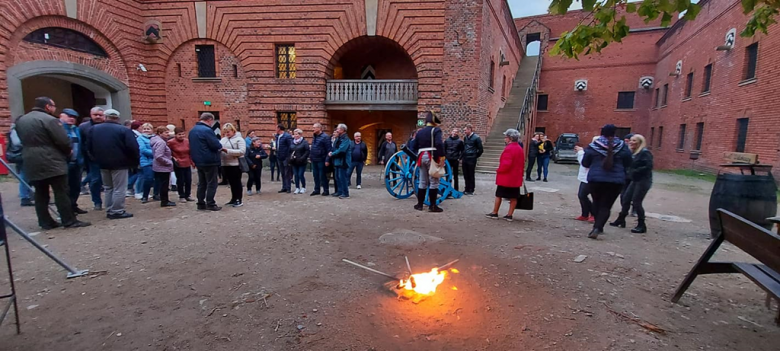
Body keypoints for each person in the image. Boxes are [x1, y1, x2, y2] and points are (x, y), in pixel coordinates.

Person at [16, 97, 90, 229]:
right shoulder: (50, 120)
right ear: (47, 107)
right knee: (61, 191)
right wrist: (68, 152)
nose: (54, 108)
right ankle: (69, 220)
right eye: (53, 106)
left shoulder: (22, 120)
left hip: (30, 159)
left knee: (40, 193)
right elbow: (62, 140)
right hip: (51, 159)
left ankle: (45, 221)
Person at [581, 124, 633, 239]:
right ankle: (598, 227)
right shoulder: (622, 146)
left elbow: (585, 163)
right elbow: (629, 162)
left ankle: (596, 226)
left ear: (601, 133)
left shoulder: (593, 146)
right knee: (606, 206)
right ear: (615, 133)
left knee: (596, 202)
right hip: (615, 181)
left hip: (595, 179)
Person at [87, 109, 139, 219]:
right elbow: (133, 147)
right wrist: (134, 162)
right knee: (119, 188)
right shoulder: (124, 130)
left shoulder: (94, 129)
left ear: (105, 117)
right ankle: (117, 210)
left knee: (108, 187)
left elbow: (88, 147)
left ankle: (110, 209)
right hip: (120, 163)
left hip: (102, 163)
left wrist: (95, 159)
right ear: (118, 118)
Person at [610, 134, 654, 233]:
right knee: (625, 198)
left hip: (643, 180)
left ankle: (641, 224)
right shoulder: (633, 153)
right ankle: (621, 219)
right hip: (635, 179)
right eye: (631, 140)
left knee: (637, 202)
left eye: (634, 140)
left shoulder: (645, 153)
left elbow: (648, 167)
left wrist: (633, 171)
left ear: (640, 142)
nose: (631, 142)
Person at [486, 129, 525, 221]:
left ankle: (495, 212)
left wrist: (499, 170)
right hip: (515, 177)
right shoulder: (519, 148)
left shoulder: (509, 148)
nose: (505, 139)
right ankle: (509, 215)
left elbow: (506, 163)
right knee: (514, 197)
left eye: (506, 137)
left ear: (510, 138)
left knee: (499, 195)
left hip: (506, 177)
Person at [189, 113, 223, 211]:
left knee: (202, 182)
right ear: (209, 120)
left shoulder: (192, 130)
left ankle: (200, 203)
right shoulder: (207, 130)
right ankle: (210, 203)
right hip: (209, 160)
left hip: (198, 160)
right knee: (212, 182)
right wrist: (220, 147)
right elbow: (215, 145)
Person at [412, 112, 445, 212]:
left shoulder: (420, 132)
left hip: (421, 156)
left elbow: (414, 145)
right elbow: (439, 143)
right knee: (434, 182)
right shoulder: (436, 130)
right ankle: (433, 206)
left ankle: (420, 204)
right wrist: (442, 157)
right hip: (432, 156)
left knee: (422, 181)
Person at [58, 109, 88, 214]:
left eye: (74, 117)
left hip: (77, 162)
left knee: (76, 186)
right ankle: (67, 210)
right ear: (61, 116)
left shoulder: (76, 129)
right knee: (65, 188)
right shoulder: (58, 128)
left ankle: (73, 205)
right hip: (64, 163)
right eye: (69, 116)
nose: (72, 119)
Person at [79, 107, 105, 210]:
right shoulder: (83, 127)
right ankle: (97, 202)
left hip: (110, 158)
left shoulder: (108, 126)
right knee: (95, 181)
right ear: (91, 115)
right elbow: (81, 144)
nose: (98, 117)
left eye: (100, 115)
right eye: (95, 115)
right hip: (92, 159)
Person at [7, 118, 33, 206]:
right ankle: (24, 197)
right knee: (24, 176)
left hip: (23, 154)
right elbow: (17, 142)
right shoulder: (15, 130)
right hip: (20, 155)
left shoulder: (17, 129)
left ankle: (28, 194)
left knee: (27, 176)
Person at [220, 123, 246, 207]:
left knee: (237, 182)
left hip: (236, 164)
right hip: (225, 164)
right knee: (231, 182)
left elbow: (242, 151)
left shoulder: (239, 139)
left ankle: (239, 199)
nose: (227, 133)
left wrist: (227, 151)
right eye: (225, 132)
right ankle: (233, 198)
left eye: (228, 131)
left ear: (233, 130)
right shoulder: (223, 140)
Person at [575, 136, 599, 222]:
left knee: (588, 196)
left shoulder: (599, 153)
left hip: (592, 177)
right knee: (582, 195)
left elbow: (585, 163)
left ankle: (593, 214)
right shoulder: (591, 151)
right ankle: (585, 214)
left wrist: (580, 152)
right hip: (586, 177)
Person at [150, 126, 176, 207]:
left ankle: (164, 199)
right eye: (166, 132)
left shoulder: (158, 141)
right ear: (160, 133)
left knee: (162, 184)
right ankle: (165, 201)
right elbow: (158, 156)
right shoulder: (161, 142)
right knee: (164, 185)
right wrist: (169, 162)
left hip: (159, 166)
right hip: (162, 167)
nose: (168, 134)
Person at [168, 127, 194, 202]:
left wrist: (192, 162)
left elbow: (190, 152)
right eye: (179, 134)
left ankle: (188, 194)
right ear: (175, 135)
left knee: (188, 180)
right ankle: (181, 195)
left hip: (187, 162)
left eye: (183, 134)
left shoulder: (187, 141)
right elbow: (167, 152)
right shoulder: (171, 142)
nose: (181, 136)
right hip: (178, 163)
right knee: (180, 180)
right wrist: (172, 157)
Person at [328, 123, 352, 199]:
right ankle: (339, 191)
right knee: (337, 177)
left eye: (338, 129)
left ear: (342, 130)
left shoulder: (345, 139)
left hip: (343, 161)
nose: (336, 130)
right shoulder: (338, 138)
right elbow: (335, 147)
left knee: (342, 178)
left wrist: (333, 154)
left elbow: (342, 150)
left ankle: (345, 193)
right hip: (338, 161)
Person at [309, 123, 331, 196]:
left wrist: (327, 160)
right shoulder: (314, 136)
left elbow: (329, 149)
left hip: (322, 159)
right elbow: (313, 147)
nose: (313, 129)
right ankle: (317, 189)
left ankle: (326, 190)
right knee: (315, 175)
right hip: (314, 159)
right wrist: (311, 157)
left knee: (323, 176)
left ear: (319, 128)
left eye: (314, 128)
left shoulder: (325, 137)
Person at [462, 124, 483, 195]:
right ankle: (466, 188)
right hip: (465, 158)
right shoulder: (466, 138)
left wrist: (475, 156)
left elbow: (480, 149)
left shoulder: (476, 138)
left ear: (469, 129)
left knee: (471, 174)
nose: (464, 131)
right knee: (465, 174)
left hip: (471, 158)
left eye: (465, 130)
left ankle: (471, 189)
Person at [137, 123, 156, 203]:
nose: (146, 130)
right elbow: (143, 149)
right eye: (145, 129)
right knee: (148, 178)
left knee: (157, 179)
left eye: (148, 129)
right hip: (146, 161)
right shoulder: (140, 138)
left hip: (156, 161)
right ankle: (145, 196)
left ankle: (156, 194)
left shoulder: (155, 138)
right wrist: (156, 153)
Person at [290, 128, 310, 194]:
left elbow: (307, 151)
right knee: (296, 175)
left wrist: (302, 158)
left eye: (297, 134)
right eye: (294, 134)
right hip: (294, 161)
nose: (295, 136)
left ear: (300, 135)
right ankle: (297, 187)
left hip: (302, 161)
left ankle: (303, 187)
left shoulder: (304, 142)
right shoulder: (292, 142)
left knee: (300, 174)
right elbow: (290, 150)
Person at [275, 124, 293, 193]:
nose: (275, 129)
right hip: (279, 157)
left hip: (285, 157)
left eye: (276, 128)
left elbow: (290, 146)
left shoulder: (287, 136)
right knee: (282, 173)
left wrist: (288, 156)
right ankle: (284, 187)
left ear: (279, 128)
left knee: (287, 173)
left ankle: (288, 187)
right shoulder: (277, 136)